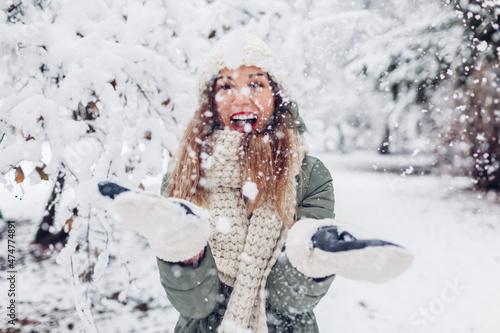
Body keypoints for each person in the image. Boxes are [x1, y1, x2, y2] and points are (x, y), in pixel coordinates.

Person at [99, 31, 412, 333]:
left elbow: (287, 301)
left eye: (256, 83)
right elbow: (195, 305)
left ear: (276, 96)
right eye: (226, 86)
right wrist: (181, 244)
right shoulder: (186, 172)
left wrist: (315, 255)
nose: (241, 97)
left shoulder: (308, 175)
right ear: (211, 101)